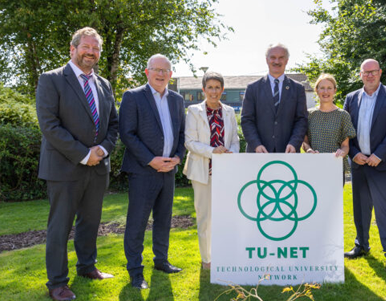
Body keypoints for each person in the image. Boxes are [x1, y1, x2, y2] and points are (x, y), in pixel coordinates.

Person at [36, 27, 119, 301]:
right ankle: (57, 283)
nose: (91, 52)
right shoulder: (52, 80)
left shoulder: (104, 84)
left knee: (90, 223)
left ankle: (86, 267)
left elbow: (113, 125)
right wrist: (84, 153)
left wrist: (102, 150)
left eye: (96, 49)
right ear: (72, 49)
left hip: (98, 168)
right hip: (64, 168)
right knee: (60, 227)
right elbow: (50, 126)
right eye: (86, 47)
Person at [119, 54, 186, 289]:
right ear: (147, 72)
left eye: (165, 70)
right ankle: (136, 271)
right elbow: (127, 133)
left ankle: (161, 261)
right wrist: (150, 160)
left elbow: (181, 135)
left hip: (168, 170)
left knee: (164, 220)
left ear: (170, 75)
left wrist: (178, 157)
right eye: (156, 69)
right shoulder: (133, 97)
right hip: (142, 171)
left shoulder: (177, 100)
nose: (160, 74)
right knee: (137, 222)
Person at [343, 59, 386, 274]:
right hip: (359, 162)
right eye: (365, 72)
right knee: (360, 209)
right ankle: (361, 245)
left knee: (384, 210)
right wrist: (354, 153)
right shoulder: (351, 98)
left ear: (380, 72)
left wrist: (379, 154)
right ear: (360, 74)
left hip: (382, 163)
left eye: (373, 71)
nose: (370, 75)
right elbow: (346, 130)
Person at [183, 71, 240, 270]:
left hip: (224, 172)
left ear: (222, 90)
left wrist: (230, 153)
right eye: (210, 87)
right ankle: (207, 259)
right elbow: (190, 142)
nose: (214, 91)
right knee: (205, 217)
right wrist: (213, 152)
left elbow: (235, 140)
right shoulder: (193, 110)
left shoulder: (230, 111)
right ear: (203, 90)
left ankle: (223, 254)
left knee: (225, 216)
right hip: (201, 170)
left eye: (217, 87)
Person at [241, 43, 308, 153]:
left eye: (281, 57)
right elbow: (247, 120)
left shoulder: (297, 88)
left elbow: (301, 120)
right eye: (273, 57)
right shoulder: (252, 88)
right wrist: (256, 144)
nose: (276, 61)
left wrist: (294, 143)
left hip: (288, 153)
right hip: (258, 153)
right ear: (267, 60)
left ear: (286, 60)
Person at [301, 73, 356, 179]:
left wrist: (342, 153)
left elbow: (345, 146)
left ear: (334, 90)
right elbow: (305, 142)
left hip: (335, 167)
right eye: (322, 88)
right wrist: (308, 150)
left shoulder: (343, 115)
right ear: (316, 90)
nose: (325, 92)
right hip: (313, 167)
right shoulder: (309, 115)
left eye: (329, 88)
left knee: (334, 196)